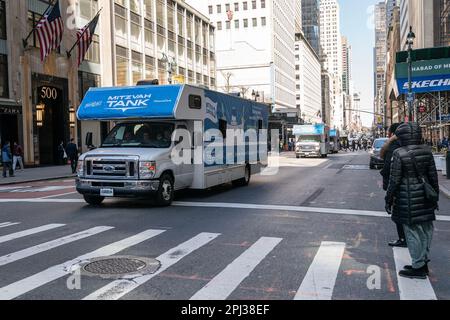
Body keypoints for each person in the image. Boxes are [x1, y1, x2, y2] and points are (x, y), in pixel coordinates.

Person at [385, 123, 439, 279]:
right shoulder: (427, 152)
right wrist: (434, 197)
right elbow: (433, 177)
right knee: (426, 230)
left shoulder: (399, 153)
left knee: (412, 232)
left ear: (402, 137)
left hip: (407, 198)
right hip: (425, 196)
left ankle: (418, 266)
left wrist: (388, 199)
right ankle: (422, 263)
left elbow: (394, 181)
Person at [380, 123, 406, 248]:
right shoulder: (416, 146)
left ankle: (403, 239)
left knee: (398, 215)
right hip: (417, 187)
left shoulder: (394, 146)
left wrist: (388, 197)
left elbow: (388, 170)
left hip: (399, 188)